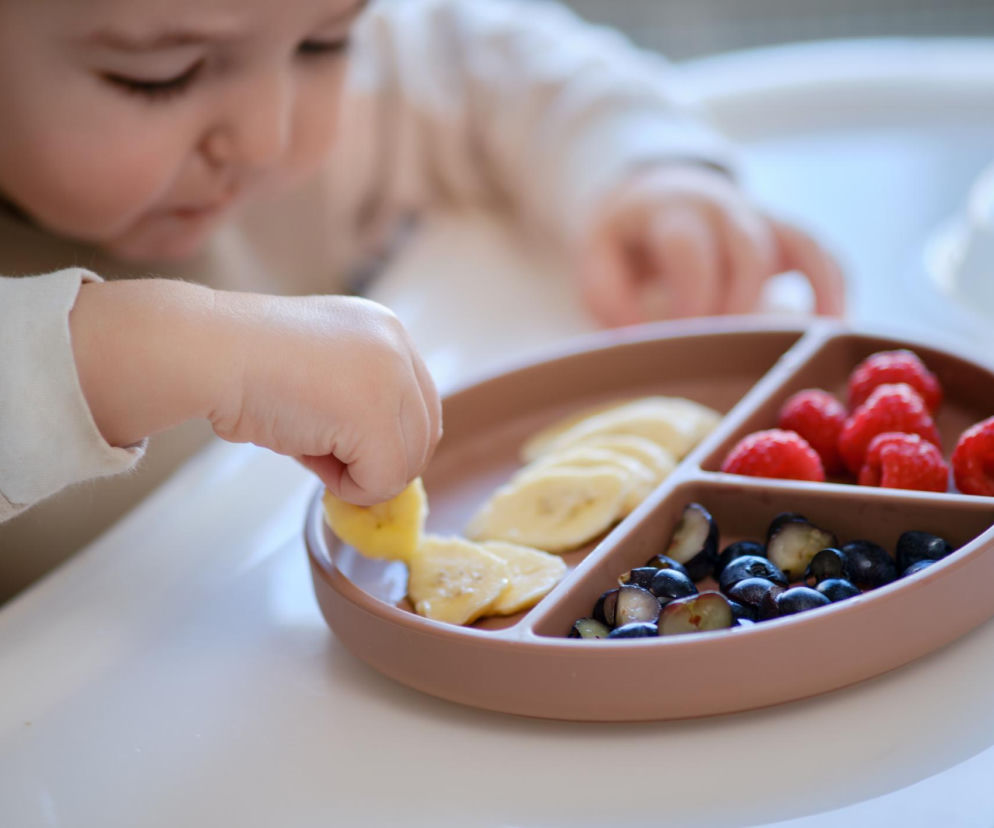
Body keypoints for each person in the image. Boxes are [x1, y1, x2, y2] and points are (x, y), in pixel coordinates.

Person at [0, 0, 844, 594]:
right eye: (161, 74)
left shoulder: (270, 77)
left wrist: (642, 166)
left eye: (323, 44)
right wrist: (142, 348)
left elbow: (473, 57)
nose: (268, 134)